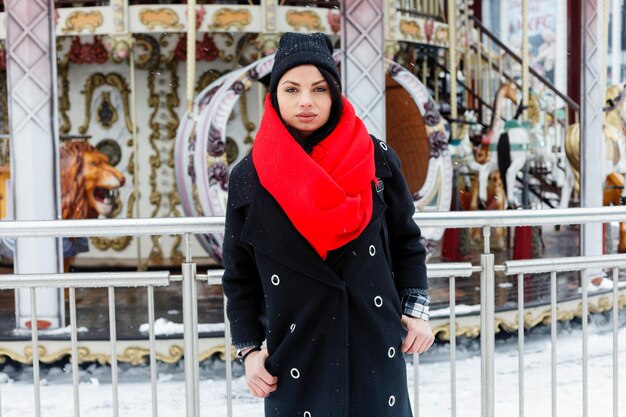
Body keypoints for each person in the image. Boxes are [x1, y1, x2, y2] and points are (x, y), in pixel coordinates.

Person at [222, 32, 434, 417]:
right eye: (292, 89)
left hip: (373, 342)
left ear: (334, 95)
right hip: (295, 349)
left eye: (319, 89)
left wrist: (417, 309)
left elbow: (406, 240)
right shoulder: (249, 177)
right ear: (274, 97)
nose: (306, 101)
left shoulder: (376, 158)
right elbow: (239, 274)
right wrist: (250, 350)